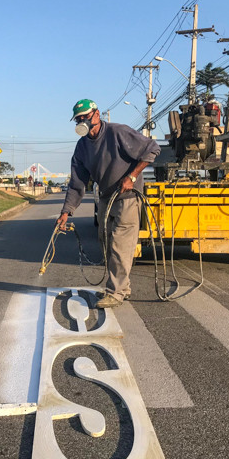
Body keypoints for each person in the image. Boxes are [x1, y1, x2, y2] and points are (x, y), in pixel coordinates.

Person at [56, 99, 161, 309]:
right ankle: (124, 286)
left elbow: (152, 149)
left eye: (85, 117)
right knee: (106, 243)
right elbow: (77, 183)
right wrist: (66, 212)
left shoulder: (118, 132)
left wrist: (131, 177)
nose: (82, 121)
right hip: (105, 197)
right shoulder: (82, 147)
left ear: (96, 114)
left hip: (127, 199)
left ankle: (116, 292)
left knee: (120, 246)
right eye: (78, 119)